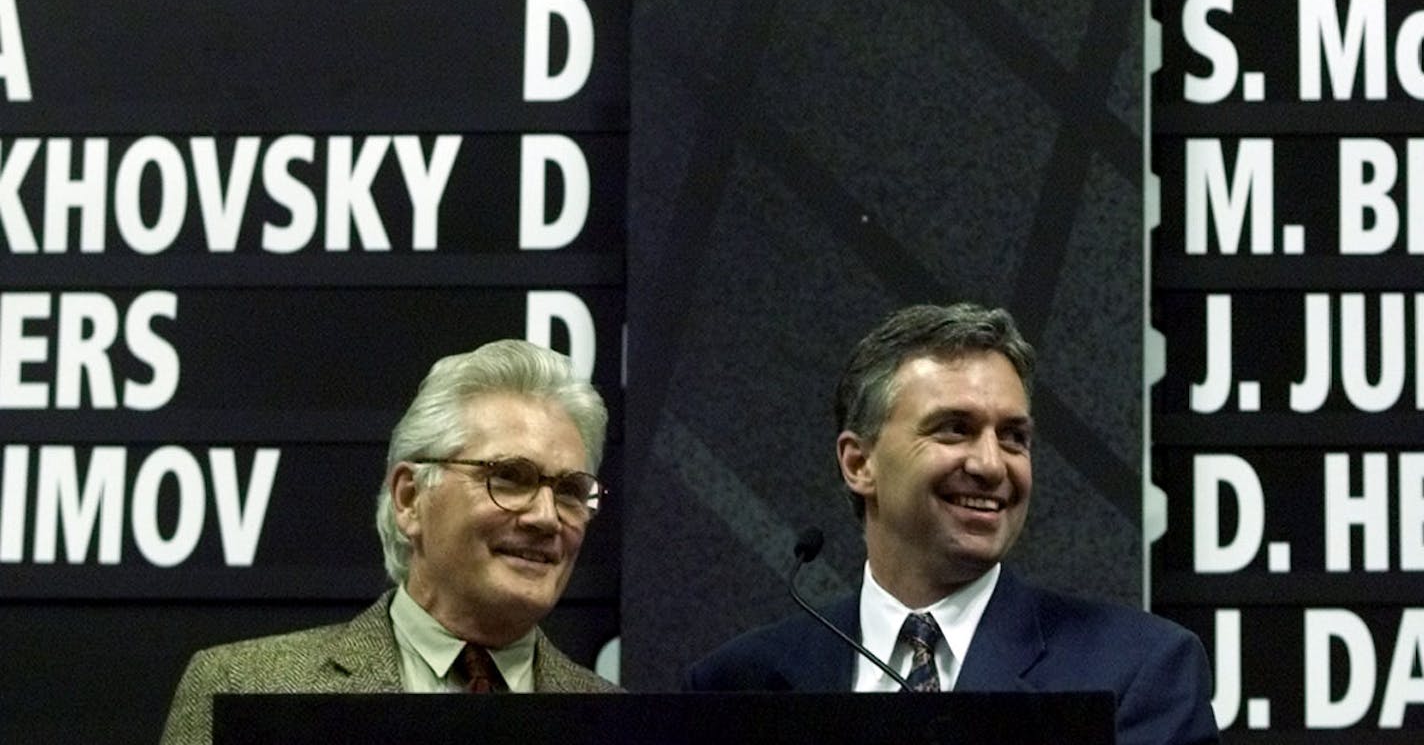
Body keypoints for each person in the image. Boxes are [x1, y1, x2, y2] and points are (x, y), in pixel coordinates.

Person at [683, 303, 1219, 745]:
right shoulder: (737, 687)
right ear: (858, 463)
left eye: (1013, 437)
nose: (991, 464)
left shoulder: (1138, 671)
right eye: (954, 430)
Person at [161, 339, 619, 745]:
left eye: (570, 492)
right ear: (409, 498)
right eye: (510, 477)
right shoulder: (245, 688)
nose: (546, 516)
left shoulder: (620, 725)